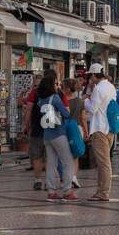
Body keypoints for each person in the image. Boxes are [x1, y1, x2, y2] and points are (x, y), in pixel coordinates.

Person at [37, 72, 77, 202]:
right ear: (51, 85)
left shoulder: (41, 99)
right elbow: (66, 113)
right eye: (56, 83)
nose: (58, 85)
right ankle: (67, 191)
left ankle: (51, 191)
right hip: (58, 134)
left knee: (51, 163)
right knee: (68, 162)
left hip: (47, 135)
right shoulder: (55, 98)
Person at [85, 64, 115, 201]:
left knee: (104, 163)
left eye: (90, 75)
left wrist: (86, 100)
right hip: (110, 129)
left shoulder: (98, 89)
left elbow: (92, 109)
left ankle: (103, 193)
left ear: (93, 75)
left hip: (99, 129)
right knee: (105, 162)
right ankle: (101, 191)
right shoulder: (110, 86)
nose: (89, 78)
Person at [22, 73, 47, 191]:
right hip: (51, 130)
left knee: (37, 157)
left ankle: (38, 180)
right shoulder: (55, 93)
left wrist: (26, 126)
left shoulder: (34, 93)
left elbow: (28, 110)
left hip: (37, 129)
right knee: (49, 157)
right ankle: (49, 181)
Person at [63, 77, 85, 188]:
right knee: (75, 155)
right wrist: (86, 132)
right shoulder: (79, 101)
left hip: (64, 129)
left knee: (65, 154)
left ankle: (65, 177)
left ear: (66, 88)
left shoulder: (61, 100)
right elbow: (83, 118)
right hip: (76, 128)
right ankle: (74, 177)